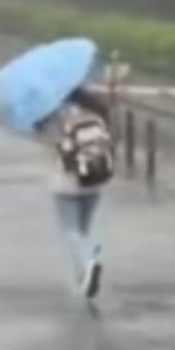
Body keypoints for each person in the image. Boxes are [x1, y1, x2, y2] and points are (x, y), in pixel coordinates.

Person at [34, 86, 114, 300]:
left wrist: (40, 123)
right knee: (83, 231)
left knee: (70, 231)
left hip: (67, 181)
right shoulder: (95, 112)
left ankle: (89, 265)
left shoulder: (55, 117)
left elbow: (49, 141)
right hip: (95, 180)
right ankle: (84, 278)